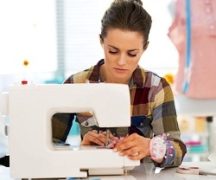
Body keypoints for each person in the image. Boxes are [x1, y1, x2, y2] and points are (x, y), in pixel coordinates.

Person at [52, 0, 186, 168]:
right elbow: (51, 146)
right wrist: (81, 151)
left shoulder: (156, 89)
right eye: (113, 51)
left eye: (132, 54)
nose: (121, 61)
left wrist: (152, 147)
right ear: (101, 42)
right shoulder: (75, 85)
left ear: (145, 48)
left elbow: (178, 149)